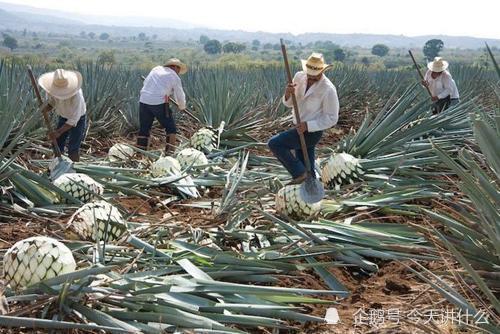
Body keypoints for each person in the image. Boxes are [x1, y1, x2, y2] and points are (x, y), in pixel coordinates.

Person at [268, 53, 339, 184]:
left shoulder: (328, 89)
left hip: (312, 132)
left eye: (315, 77)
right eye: (309, 76)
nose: (311, 79)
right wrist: (287, 93)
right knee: (307, 166)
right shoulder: (299, 77)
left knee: (275, 144)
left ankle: (300, 174)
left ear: (322, 71)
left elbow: (332, 117)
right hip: (298, 127)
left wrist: (308, 125)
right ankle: (311, 191)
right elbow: (289, 103)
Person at [137, 58, 188, 154]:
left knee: (144, 128)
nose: (178, 72)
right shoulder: (174, 76)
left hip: (143, 100)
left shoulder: (156, 69)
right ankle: (169, 154)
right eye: (179, 69)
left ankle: (140, 154)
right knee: (171, 128)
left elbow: (146, 83)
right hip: (159, 102)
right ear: (176, 67)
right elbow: (180, 95)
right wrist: (182, 107)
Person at [39, 69, 87, 162]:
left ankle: (74, 169)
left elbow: (74, 119)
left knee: (73, 146)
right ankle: (58, 164)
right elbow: (52, 103)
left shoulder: (76, 95)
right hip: (63, 116)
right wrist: (44, 109)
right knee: (57, 143)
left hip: (78, 118)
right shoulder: (51, 90)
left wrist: (58, 132)